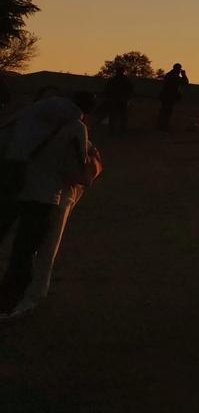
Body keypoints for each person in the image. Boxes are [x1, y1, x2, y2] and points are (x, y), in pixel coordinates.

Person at [0, 91, 101, 316]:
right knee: (23, 251)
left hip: (11, 187)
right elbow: (74, 170)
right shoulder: (76, 127)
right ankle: (9, 303)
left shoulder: (29, 114)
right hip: (44, 195)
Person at [157, 63, 188, 133]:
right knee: (167, 111)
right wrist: (184, 75)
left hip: (166, 96)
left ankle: (161, 126)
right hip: (169, 96)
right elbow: (185, 82)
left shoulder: (169, 75)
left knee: (164, 111)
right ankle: (163, 126)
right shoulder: (174, 76)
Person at [102, 66, 133, 134]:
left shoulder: (115, 80)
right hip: (117, 100)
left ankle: (117, 131)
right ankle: (117, 131)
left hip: (118, 100)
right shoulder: (124, 80)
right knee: (117, 116)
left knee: (118, 116)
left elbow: (130, 91)